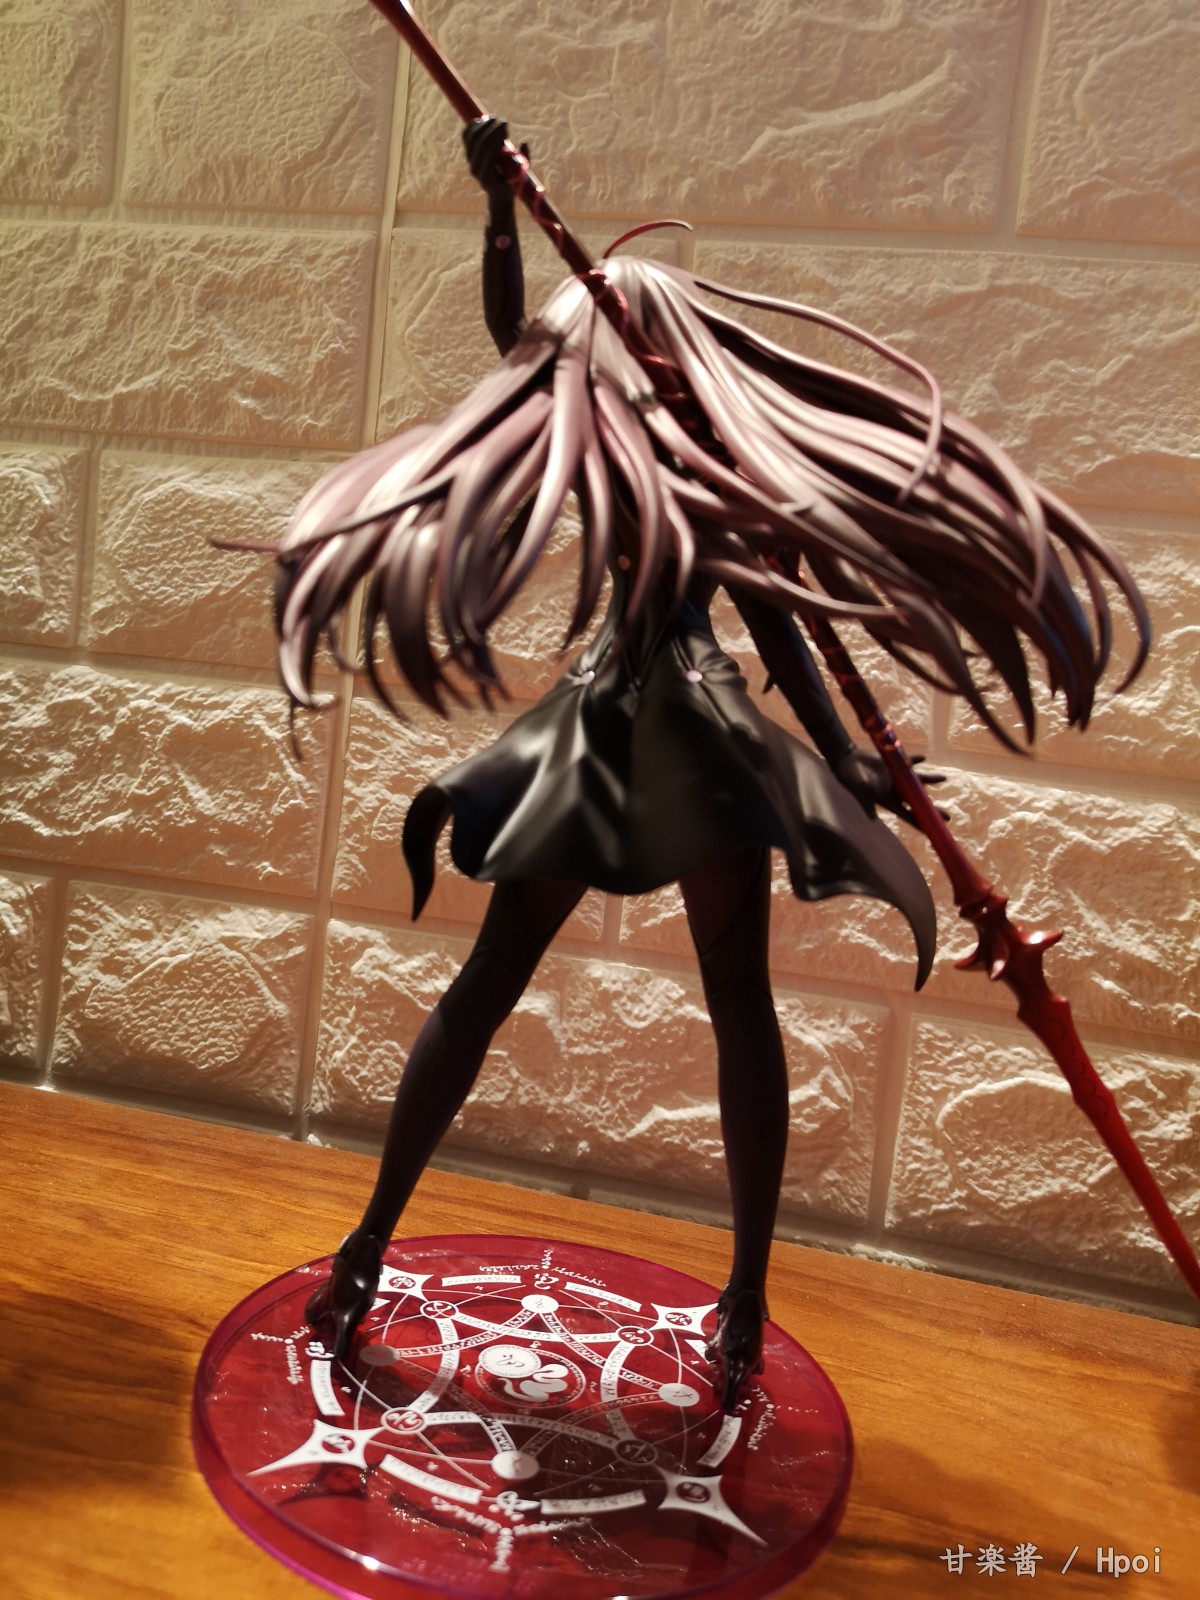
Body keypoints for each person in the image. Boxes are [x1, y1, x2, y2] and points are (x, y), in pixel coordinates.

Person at [302, 120, 944, 1410]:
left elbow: (776, 619)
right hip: (648, 727)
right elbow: (516, 341)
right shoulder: (626, 438)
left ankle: (732, 1293)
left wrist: (845, 759)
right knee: (602, 988)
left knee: (646, 992)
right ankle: (383, 1248)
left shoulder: (688, 461)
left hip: (650, 728)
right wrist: (498, 208)